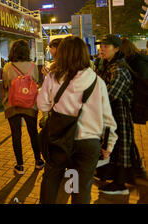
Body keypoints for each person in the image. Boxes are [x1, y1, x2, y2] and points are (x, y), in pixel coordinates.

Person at [38, 36, 117, 204]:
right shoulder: (97, 81)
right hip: (88, 142)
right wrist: (108, 145)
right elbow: (107, 118)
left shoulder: (52, 77)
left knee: (51, 178)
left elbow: (42, 105)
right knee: (81, 187)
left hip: (59, 138)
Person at [95, 34, 135, 195]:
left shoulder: (119, 69)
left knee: (120, 149)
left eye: (106, 46)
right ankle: (116, 180)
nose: (101, 49)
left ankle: (121, 185)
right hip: (111, 115)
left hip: (120, 116)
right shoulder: (107, 65)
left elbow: (110, 95)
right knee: (114, 148)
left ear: (117, 49)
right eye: (101, 46)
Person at [1, 39, 44, 175]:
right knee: (33, 133)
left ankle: (20, 165)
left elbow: (6, 84)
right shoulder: (33, 66)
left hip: (12, 104)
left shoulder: (8, 67)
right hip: (30, 104)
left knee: (16, 135)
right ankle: (38, 161)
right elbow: (36, 82)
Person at [119, 38, 148, 181]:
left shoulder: (137, 62)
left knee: (127, 134)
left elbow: (141, 81)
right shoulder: (137, 59)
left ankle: (137, 168)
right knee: (128, 135)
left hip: (139, 102)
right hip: (137, 102)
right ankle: (136, 167)